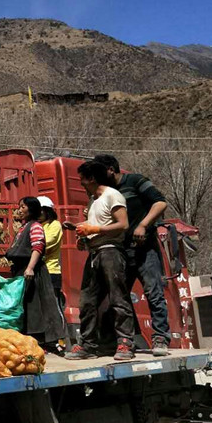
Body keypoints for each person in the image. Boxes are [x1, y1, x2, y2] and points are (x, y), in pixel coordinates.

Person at [93, 154, 170, 356]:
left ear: (110, 169)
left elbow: (160, 203)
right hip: (120, 252)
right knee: (117, 297)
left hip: (145, 249)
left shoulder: (135, 181)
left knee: (154, 293)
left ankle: (160, 338)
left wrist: (143, 225)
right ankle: (124, 340)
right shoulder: (104, 193)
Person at [66, 160, 136, 361]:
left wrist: (95, 229)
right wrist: (83, 235)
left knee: (118, 298)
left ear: (92, 178)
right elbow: (95, 224)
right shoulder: (93, 201)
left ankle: (125, 343)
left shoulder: (112, 195)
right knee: (87, 301)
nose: (80, 182)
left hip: (111, 252)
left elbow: (123, 224)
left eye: (82, 178)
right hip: (94, 253)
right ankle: (88, 345)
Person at [6, 196, 67, 347]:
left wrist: (30, 268)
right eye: (19, 207)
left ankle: (43, 340)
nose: (19, 210)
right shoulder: (24, 227)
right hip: (21, 270)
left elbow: (38, 247)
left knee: (36, 305)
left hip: (32, 270)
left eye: (23, 207)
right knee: (25, 304)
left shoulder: (36, 226)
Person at [37, 196, 65, 315]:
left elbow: (46, 243)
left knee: (53, 308)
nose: (38, 213)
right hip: (37, 272)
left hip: (50, 271)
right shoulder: (35, 226)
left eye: (41, 210)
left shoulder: (55, 225)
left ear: (48, 211)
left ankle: (59, 327)